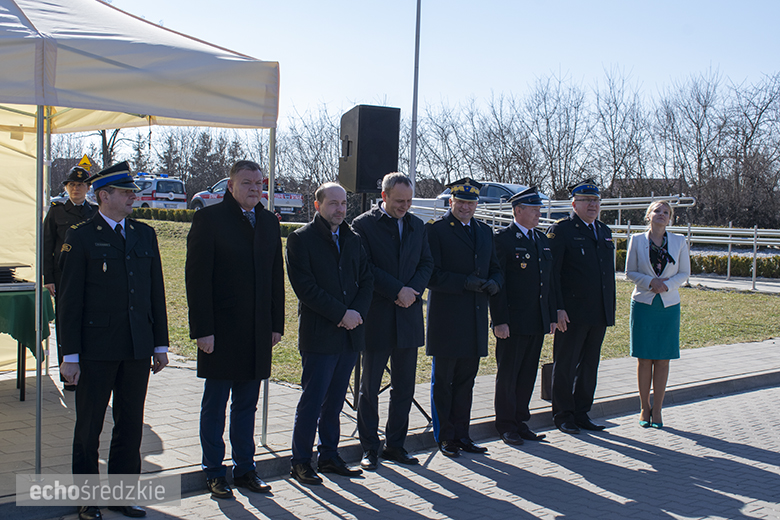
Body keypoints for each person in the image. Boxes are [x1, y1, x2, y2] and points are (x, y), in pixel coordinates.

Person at [58, 161, 169, 520]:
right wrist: (69, 356)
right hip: (96, 349)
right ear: (104, 195)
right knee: (89, 426)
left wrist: (160, 344)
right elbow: (70, 301)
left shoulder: (144, 233)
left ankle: (123, 494)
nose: (132, 197)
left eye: (132, 192)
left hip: (136, 347)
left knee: (130, 423)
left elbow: (155, 292)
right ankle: (88, 499)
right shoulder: (81, 235)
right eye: (125, 192)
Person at [186, 160, 284, 499]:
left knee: (247, 404)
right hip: (221, 330)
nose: (255, 188)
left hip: (257, 330)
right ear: (231, 186)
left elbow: (275, 277)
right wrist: (202, 329)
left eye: (259, 183)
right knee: (215, 405)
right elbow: (196, 279)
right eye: (247, 183)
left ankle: (245, 468)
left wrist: (276, 324)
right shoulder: (209, 219)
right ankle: (214, 471)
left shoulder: (270, 222)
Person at [286, 182, 373, 485]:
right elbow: (306, 288)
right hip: (320, 334)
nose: (339, 209)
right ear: (318, 205)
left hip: (349, 335)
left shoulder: (354, 239)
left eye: (343, 204)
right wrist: (341, 314)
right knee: (313, 400)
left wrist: (357, 314)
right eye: (333, 203)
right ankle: (300, 461)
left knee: (335, 401)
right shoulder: (300, 240)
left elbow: (366, 280)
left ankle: (329, 455)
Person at [352, 172, 433, 470]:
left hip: (408, 316)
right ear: (384, 197)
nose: (405, 206)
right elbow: (366, 268)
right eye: (399, 201)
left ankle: (396, 445)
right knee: (369, 387)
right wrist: (396, 290)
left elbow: (427, 263)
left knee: (404, 387)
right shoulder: (363, 225)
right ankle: (369, 447)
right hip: (378, 316)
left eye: (409, 201)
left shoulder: (417, 225)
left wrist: (413, 291)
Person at [426, 177, 502, 457]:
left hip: (475, 317)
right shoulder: (436, 231)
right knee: (443, 381)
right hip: (447, 318)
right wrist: (463, 282)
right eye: (461, 202)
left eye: (471, 203)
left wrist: (496, 282)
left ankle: (462, 434)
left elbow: (495, 267)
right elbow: (431, 274)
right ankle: (445, 436)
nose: (466, 207)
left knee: (466, 381)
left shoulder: (483, 231)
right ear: (451, 202)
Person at [547, 178, 616, 435]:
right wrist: (557, 308)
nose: (593, 205)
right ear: (574, 203)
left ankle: (582, 412)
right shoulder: (562, 230)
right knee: (566, 364)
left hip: (598, 311)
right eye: (587, 200)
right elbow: (552, 274)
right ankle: (563, 415)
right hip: (572, 312)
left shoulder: (604, 231)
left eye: (596, 200)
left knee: (589, 364)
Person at [490, 187, 556, 446]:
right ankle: (505, 424)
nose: (538, 213)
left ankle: (520, 420)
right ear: (518, 211)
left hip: (536, 319)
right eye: (533, 209)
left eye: (539, 209)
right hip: (512, 321)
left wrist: (549, 315)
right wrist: (499, 320)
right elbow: (499, 284)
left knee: (527, 372)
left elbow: (546, 283)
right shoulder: (503, 239)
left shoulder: (540, 239)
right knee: (508, 373)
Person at [625, 201, 690, 429]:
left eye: (666, 212)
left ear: (670, 218)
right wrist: (650, 282)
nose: (661, 215)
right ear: (648, 215)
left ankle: (659, 410)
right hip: (644, 304)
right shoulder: (637, 240)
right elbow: (629, 271)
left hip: (668, 305)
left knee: (662, 360)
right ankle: (644, 407)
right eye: (657, 211)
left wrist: (668, 285)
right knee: (644, 359)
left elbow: (684, 272)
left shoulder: (679, 241)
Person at [43, 166, 98, 391]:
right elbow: (46, 246)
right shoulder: (56, 211)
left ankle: (86, 370)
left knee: (88, 321)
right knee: (66, 322)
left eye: (81, 185)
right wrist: (48, 277)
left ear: (88, 188)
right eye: (72, 185)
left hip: (89, 277)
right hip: (62, 276)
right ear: (66, 188)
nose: (76, 189)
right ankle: (68, 376)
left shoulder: (94, 211)